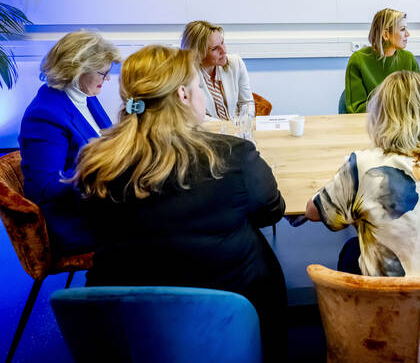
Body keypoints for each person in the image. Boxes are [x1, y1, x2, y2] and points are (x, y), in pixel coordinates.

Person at [72, 45, 286, 359]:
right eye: (199, 86)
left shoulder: (95, 162)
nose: (201, 95)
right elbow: (272, 210)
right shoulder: (233, 156)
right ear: (183, 95)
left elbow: (92, 228)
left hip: (128, 324)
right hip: (227, 316)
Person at [306, 70, 420, 276]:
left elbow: (313, 212)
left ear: (380, 115)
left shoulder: (362, 166)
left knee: (352, 249)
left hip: (381, 294)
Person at [18, 30, 120, 257]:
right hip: (73, 221)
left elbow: (106, 143)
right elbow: (45, 190)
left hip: (97, 205)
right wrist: (100, 167)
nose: (108, 79)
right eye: (103, 73)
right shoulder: (44, 115)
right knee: (160, 221)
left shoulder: (85, 97)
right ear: (77, 70)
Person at [344, 8, 420, 113]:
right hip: (370, 122)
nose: (408, 34)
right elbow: (356, 109)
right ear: (386, 34)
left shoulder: (409, 59)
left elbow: (419, 101)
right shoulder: (358, 60)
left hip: (403, 122)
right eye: (402, 29)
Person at [180, 20, 253, 120]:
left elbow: (247, 103)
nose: (224, 51)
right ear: (197, 53)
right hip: (206, 130)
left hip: (236, 127)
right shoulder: (185, 75)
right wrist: (227, 127)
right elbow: (194, 116)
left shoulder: (235, 63)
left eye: (222, 42)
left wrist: (243, 124)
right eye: (214, 48)